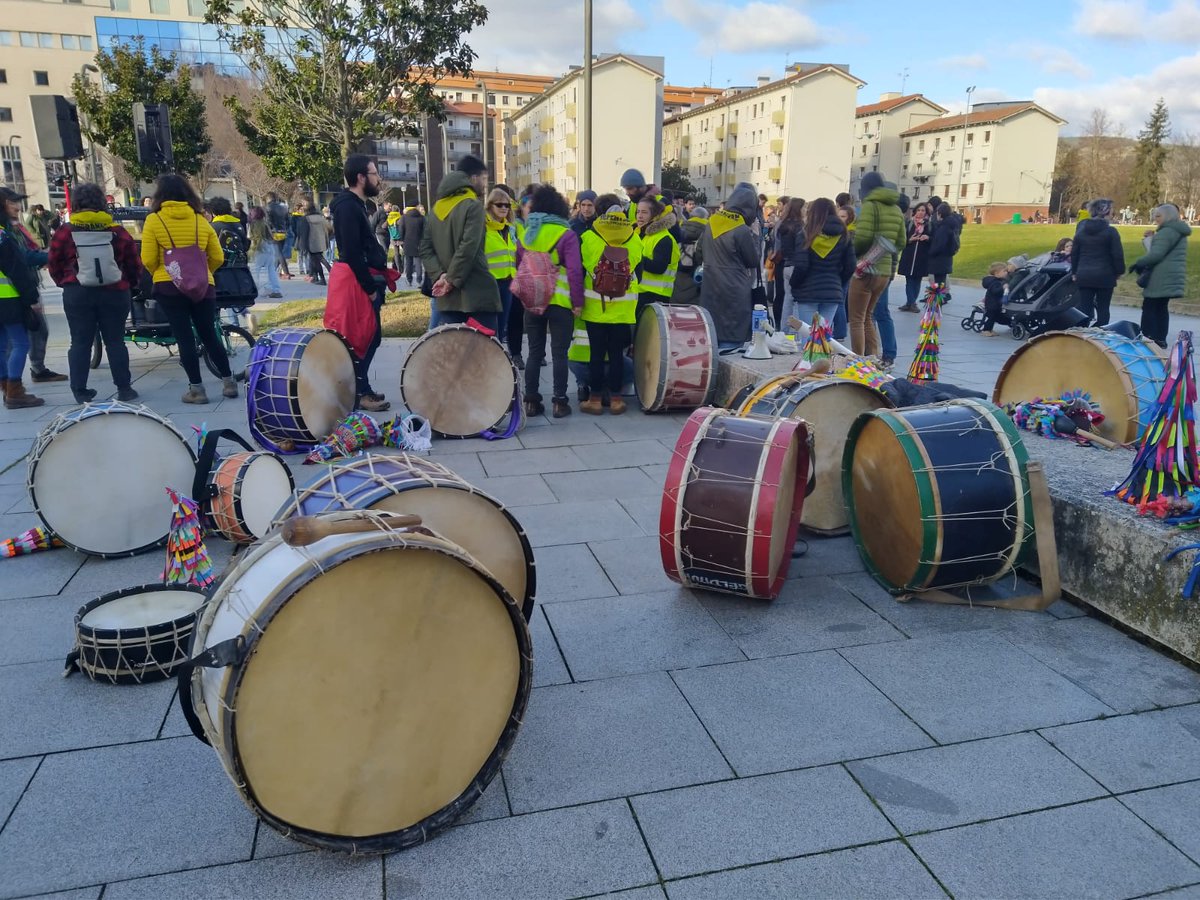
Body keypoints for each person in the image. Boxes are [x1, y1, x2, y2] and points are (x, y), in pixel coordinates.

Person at [140, 174, 234, 404]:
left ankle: (197, 390)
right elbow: (218, 256)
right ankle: (229, 382)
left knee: (184, 337)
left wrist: (162, 273)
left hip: (169, 286)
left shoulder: (154, 220)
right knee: (209, 334)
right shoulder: (200, 220)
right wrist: (203, 272)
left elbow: (148, 258)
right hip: (203, 285)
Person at [46, 181, 142, 403]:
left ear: (76, 204)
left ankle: (80, 391)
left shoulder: (65, 232)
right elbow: (133, 263)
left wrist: (66, 282)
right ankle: (124, 389)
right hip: (115, 292)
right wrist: (129, 284)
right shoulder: (117, 231)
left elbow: (53, 262)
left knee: (80, 342)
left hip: (78, 292)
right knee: (115, 341)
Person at [328, 153, 390, 412]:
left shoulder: (356, 205)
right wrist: (369, 288)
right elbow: (352, 252)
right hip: (357, 285)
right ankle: (357, 393)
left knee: (370, 337)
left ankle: (361, 388)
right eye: (375, 174)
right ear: (361, 177)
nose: (379, 179)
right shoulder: (348, 207)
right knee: (363, 338)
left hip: (361, 281)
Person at [517, 184, 584, 419]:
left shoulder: (526, 234)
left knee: (534, 353)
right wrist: (577, 302)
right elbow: (574, 272)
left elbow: (519, 267)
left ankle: (531, 402)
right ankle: (559, 402)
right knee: (559, 354)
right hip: (560, 303)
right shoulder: (566, 234)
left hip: (533, 302)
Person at [420, 154, 502, 332]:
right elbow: (468, 247)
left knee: (454, 348)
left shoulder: (435, 210)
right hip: (478, 294)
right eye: (483, 179)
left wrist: (440, 276)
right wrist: (450, 280)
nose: (485, 184)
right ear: (473, 178)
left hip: (448, 299)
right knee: (485, 347)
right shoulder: (473, 206)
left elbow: (425, 249)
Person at [579, 209, 641, 415]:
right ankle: (616, 400)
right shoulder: (635, 240)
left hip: (595, 307)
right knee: (616, 355)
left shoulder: (588, 237)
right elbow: (638, 271)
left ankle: (595, 400)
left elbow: (581, 269)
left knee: (596, 354)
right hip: (623, 309)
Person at [2, 188, 65, 383]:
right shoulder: (4, 232)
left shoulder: (14, 227)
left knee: (24, 336)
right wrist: (49, 257)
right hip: (13, 293)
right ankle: (13, 386)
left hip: (19, 289)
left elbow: (26, 253)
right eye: (13, 203)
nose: (18, 207)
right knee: (18, 341)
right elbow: (20, 259)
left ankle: (19, 380)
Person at [848, 172, 905, 357]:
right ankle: (872, 358)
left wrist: (855, 252)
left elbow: (863, 238)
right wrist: (883, 251)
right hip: (884, 272)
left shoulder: (870, 206)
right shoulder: (896, 209)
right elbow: (901, 242)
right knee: (867, 316)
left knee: (856, 319)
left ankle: (858, 360)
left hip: (865, 270)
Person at [699, 182, 760, 350]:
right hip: (735, 287)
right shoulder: (741, 229)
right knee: (732, 337)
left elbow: (699, 251)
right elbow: (753, 260)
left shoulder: (711, 222)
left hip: (711, 284)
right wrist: (755, 236)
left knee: (712, 331)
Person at [0, 198, 44, 409]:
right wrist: (31, 298)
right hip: (8, 298)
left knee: (1, 346)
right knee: (20, 343)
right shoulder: (2, 236)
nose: (16, 207)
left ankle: (6, 388)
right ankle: (15, 392)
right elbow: (17, 269)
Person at [788, 197, 856, 332]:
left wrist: (794, 284)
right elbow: (850, 266)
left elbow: (801, 266)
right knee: (822, 336)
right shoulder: (844, 235)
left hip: (807, 292)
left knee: (808, 335)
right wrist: (838, 281)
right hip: (832, 291)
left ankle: (811, 347)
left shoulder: (806, 234)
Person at [1131, 203, 1191, 347]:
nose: (1155, 219)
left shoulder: (1166, 232)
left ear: (1167, 216)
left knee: (1150, 307)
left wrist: (1139, 263)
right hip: (1171, 275)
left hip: (1160, 275)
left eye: (1158, 216)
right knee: (1161, 308)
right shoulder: (1179, 232)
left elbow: (1156, 254)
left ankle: (1147, 338)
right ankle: (1160, 339)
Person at [1070, 198, 1124, 328]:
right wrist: (1119, 271)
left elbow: (1075, 253)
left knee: (1084, 307)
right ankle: (1100, 331)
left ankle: (1081, 332)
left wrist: (1074, 271)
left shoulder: (1081, 231)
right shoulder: (1111, 232)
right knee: (1103, 308)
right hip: (1105, 275)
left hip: (1084, 274)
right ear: (1106, 212)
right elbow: (1117, 254)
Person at [207, 196, 256, 309]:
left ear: (213, 212)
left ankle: (234, 319)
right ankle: (244, 314)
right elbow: (245, 245)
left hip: (221, 268)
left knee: (224, 297)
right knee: (236, 295)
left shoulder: (212, 227)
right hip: (240, 266)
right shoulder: (238, 225)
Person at [484, 188, 518, 350]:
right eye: (499, 205)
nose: (504, 208)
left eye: (507, 205)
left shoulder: (509, 229)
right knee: (490, 328)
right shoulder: (483, 228)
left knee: (502, 325)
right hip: (490, 284)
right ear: (490, 206)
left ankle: (496, 356)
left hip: (508, 282)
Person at [634, 195, 679, 318]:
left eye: (644, 212)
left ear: (654, 215)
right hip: (640, 292)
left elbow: (658, 267)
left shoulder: (664, 238)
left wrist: (635, 257)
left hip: (656, 296)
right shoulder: (642, 235)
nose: (639, 216)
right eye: (638, 212)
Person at [772, 198, 805, 330]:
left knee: (787, 299)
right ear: (799, 209)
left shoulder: (782, 225)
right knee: (797, 301)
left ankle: (784, 330)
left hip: (785, 264)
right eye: (804, 208)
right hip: (797, 265)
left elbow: (777, 244)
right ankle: (796, 332)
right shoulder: (801, 227)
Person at [897, 200, 932, 311]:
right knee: (909, 280)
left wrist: (928, 238)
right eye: (918, 210)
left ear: (926, 212)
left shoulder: (929, 225)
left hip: (921, 257)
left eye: (923, 210)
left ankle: (911, 303)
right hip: (909, 256)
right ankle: (911, 303)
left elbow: (934, 239)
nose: (920, 212)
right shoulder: (909, 223)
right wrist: (910, 240)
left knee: (917, 281)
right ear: (915, 212)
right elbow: (901, 239)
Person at [673, 205, 707, 305]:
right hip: (696, 275)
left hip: (678, 272)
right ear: (705, 217)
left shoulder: (679, 228)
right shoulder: (707, 232)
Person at [247, 208, 283, 299]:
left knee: (255, 270)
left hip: (257, 248)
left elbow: (249, 237)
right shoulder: (265, 223)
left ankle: (254, 290)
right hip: (269, 247)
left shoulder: (252, 224)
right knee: (271, 270)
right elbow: (271, 236)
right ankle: (276, 290)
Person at [926, 202, 963, 290]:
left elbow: (939, 244)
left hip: (939, 260)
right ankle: (941, 297)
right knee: (941, 283)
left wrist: (930, 252)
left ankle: (938, 298)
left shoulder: (943, 227)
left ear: (940, 214)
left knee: (938, 285)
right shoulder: (952, 225)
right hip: (947, 259)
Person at [980, 262, 1011, 336]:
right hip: (992, 304)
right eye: (1004, 271)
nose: (1006, 273)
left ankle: (989, 329)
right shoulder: (994, 282)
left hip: (994, 303)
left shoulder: (996, 281)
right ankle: (986, 330)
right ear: (997, 273)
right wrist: (1003, 288)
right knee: (991, 318)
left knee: (993, 318)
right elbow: (995, 291)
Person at [265, 192, 291, 279]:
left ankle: (286, 272)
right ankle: (274, 270)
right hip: (283, 231)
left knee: (279, 253)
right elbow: (288, 221)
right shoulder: (284, 207)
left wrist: (269, 231)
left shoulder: (268, 207)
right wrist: (286, 229)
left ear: (268, 198)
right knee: (278, 252)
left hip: (274, 232)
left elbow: (268, 221)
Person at [399, 203, 425, 287]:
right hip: (418, 242)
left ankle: (409, 279)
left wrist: (402, 239)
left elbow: (401, 229)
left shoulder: (404, 217)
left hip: (407, 242)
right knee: (418, 262)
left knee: (409, 262)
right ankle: (419, 280)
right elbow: (424, 231)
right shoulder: (421, 218)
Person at [304, 202, 330, 285]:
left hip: (311, 242)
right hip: (321, 241)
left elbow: (304, 232)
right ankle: (316, 277)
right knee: (318, 259)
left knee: (317, 260)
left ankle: (323, 278)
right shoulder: (321, 218)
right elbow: (329, 227)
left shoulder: (306, 219)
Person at [292, 202, 310, 281]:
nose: (302, 210)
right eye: (301, 209)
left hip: (305, 237)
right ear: (298, 210)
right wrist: (297, 234)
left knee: (306, 254)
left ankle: (308, 268)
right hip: (298, 237)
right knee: (300, 255)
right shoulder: (294, 217)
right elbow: (293, 228)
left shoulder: (305, 217)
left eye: (303, 209)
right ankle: (301, 269)